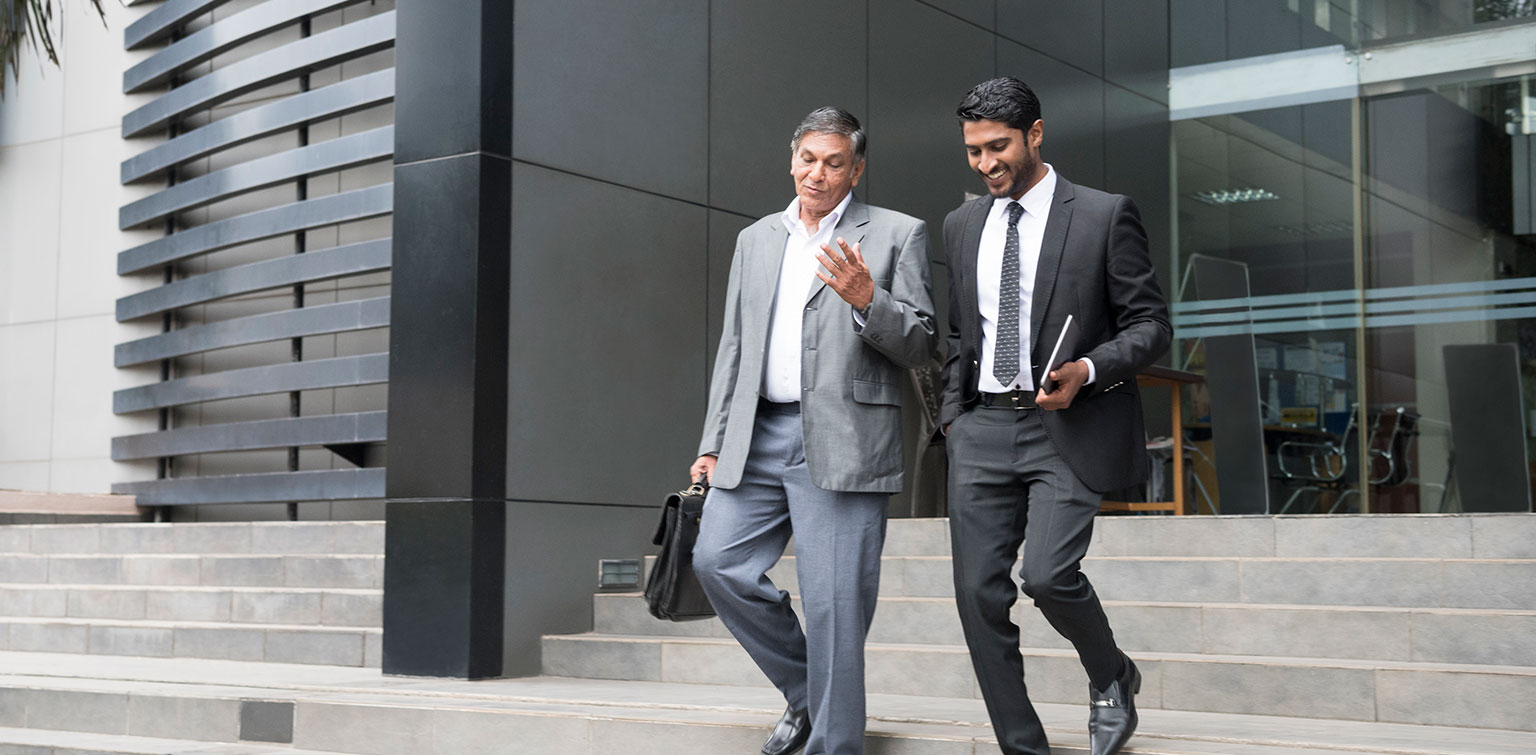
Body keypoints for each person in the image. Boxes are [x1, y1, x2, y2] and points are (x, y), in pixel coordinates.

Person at [689, 106, 937, 755]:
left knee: (835, 606)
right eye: (808, 159)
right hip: (758, 432)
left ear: (856, 169)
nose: (817, 173)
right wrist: (713, 441)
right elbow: (734, 346)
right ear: (791, 159)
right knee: (717, 562)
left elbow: (921, 344)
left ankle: (834, 741)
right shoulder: (757, 239)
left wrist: (867, 299)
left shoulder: (895, 234)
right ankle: (807, 693)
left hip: (845, 436)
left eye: (833, 162)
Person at [937, 77, 1171, 755]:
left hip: (1067, 425)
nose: (985, 164)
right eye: (974, 150)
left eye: (998, 146)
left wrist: (1088, 369)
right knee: (978, 597)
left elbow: (1151, 325)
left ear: (1035, 134)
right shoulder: (961, 224)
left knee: (1045, 573)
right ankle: (1023, 746)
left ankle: (1111, 674)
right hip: (981, 427)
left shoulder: (1102, 215)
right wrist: (955, 415)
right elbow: (961, 334)